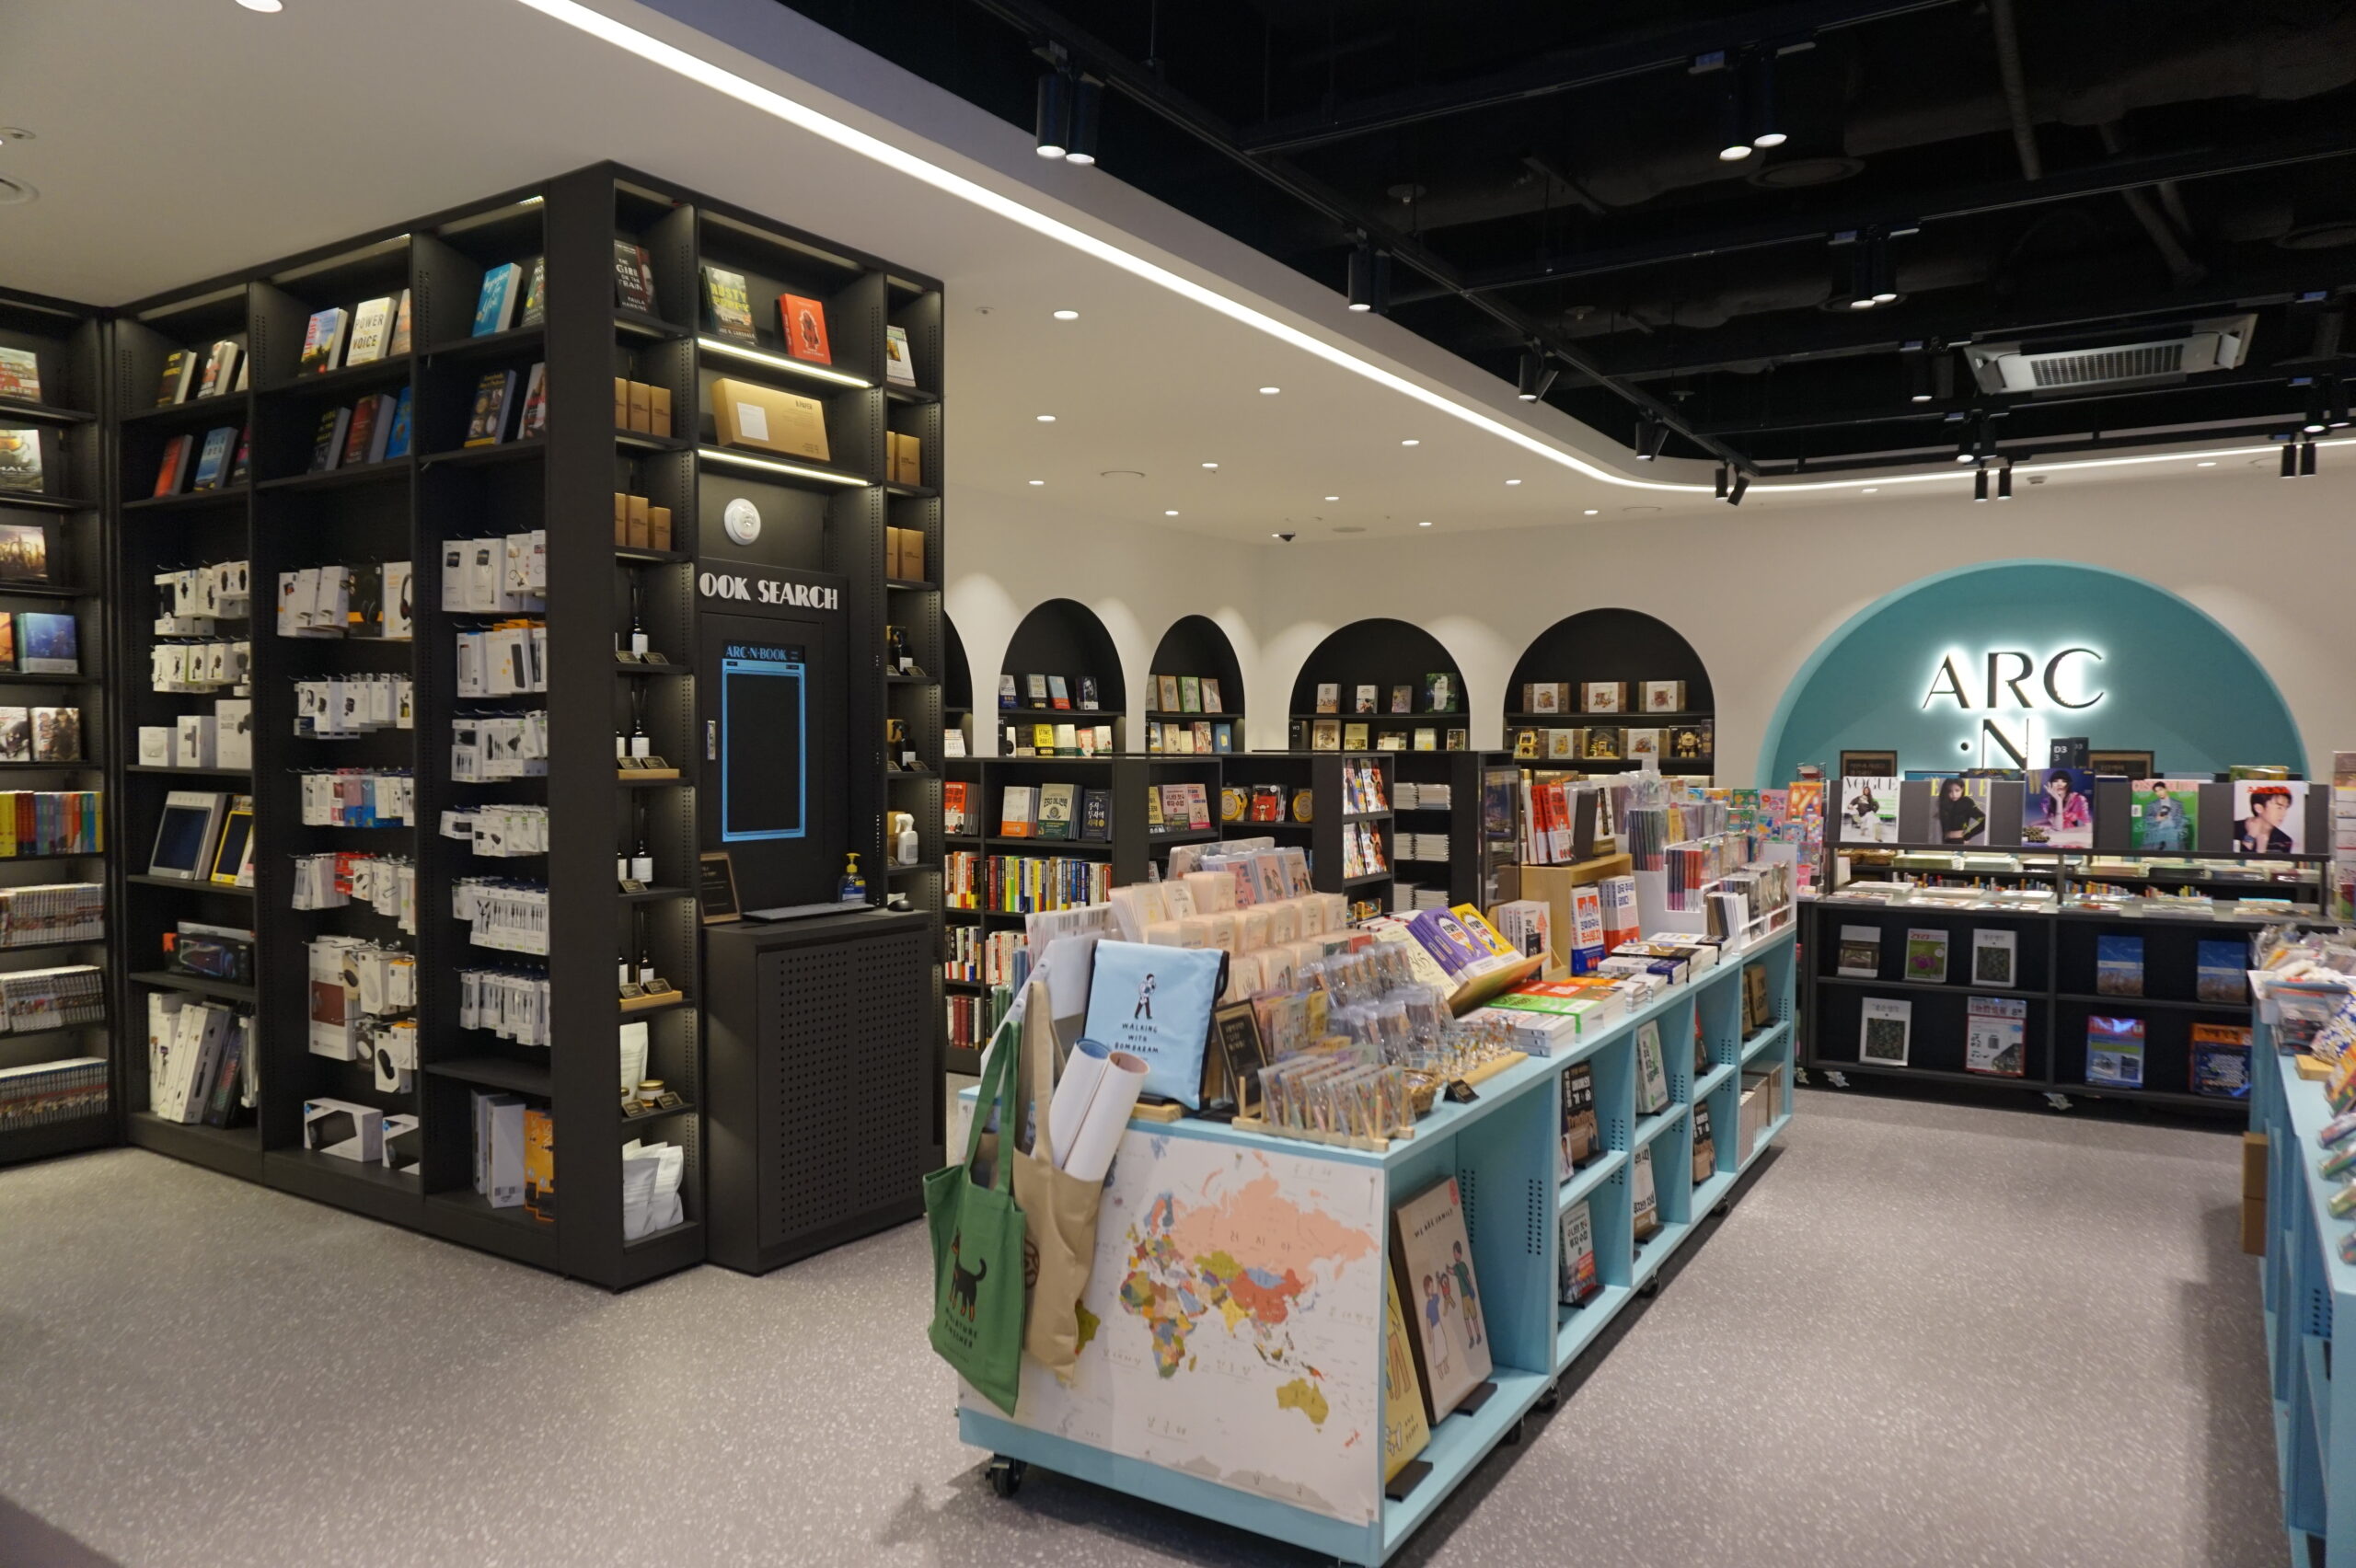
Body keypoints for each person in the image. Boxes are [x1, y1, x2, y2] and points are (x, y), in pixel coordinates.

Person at [2235, 786, 2296, 854]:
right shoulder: (2233, 829)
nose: (2284, 814)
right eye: (2279, 808)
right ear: (2259, 808)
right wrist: (2250, 836)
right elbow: (2234, 858)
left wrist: (2261, 849)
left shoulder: (2284, 840)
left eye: (2286, 808)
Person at [2036, 771, 2090, 841]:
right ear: (2050, 784)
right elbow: (2057, 828)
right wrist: (2059, 800)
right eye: (2055, 781)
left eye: (2064, 781)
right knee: (2035, 828)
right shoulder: (2046, 802)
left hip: (2070, 833)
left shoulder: (2078, 799)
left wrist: (2063, 832)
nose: (2059, 784)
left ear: (2069, 784)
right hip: (2057, 827)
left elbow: (2088, 827)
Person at [2139, 788, 2193, 853]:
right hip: (2157, 831)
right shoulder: (2152, 804)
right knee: (2153, 853)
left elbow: (2182, 818)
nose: (2159, 792)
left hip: (2172, 832)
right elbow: (2146, 818)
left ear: (2165, 789)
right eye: (2156, 791)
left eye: (2160, 790)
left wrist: (2177, 830)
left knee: (2173, 853)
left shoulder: (2177, 803)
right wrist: (2156, 819)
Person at [1936, 778, 1986, 843]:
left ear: (1962, 789)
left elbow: (1985, 820)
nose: (1954, 794)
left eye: (1957, 790)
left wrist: (1968, 836)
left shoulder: (1966, 802)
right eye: (1950, 791)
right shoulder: (1944, 803)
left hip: (1959, 841)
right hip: (1945, 842)